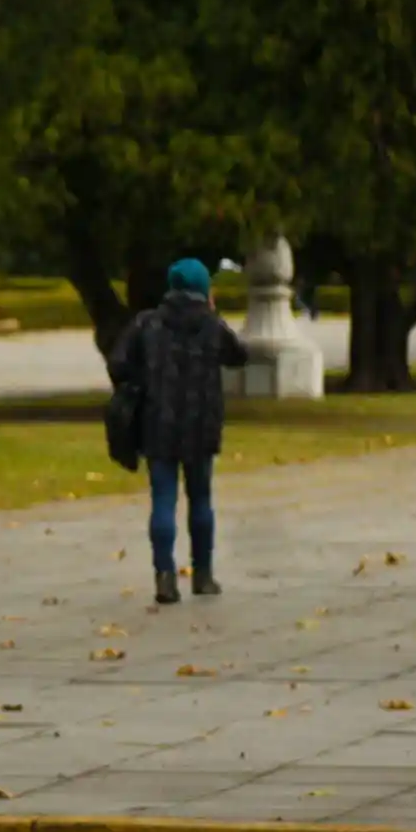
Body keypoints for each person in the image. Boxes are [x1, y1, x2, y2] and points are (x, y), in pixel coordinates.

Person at [107, 259, 249, 606]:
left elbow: (118, 364)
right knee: (201, 499)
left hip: (158, 423)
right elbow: (240, 355)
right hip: (202, 425)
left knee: (163, 500)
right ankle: (202, 575)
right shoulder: (212, 326)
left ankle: (165, 577)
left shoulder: (147, 323)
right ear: (204, 289)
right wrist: (214, 313)